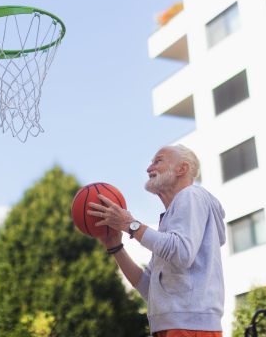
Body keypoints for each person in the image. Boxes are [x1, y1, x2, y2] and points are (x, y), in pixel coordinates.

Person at [87, 144, 226, 337]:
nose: (148, 168)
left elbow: (182, 253)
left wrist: (131, 225)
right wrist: (116, 248)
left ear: (181, 169)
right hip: (171, 325)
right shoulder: (170, 222)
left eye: (158, 161)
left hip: (189, 326)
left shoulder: (191, 195)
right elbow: (149, 289)